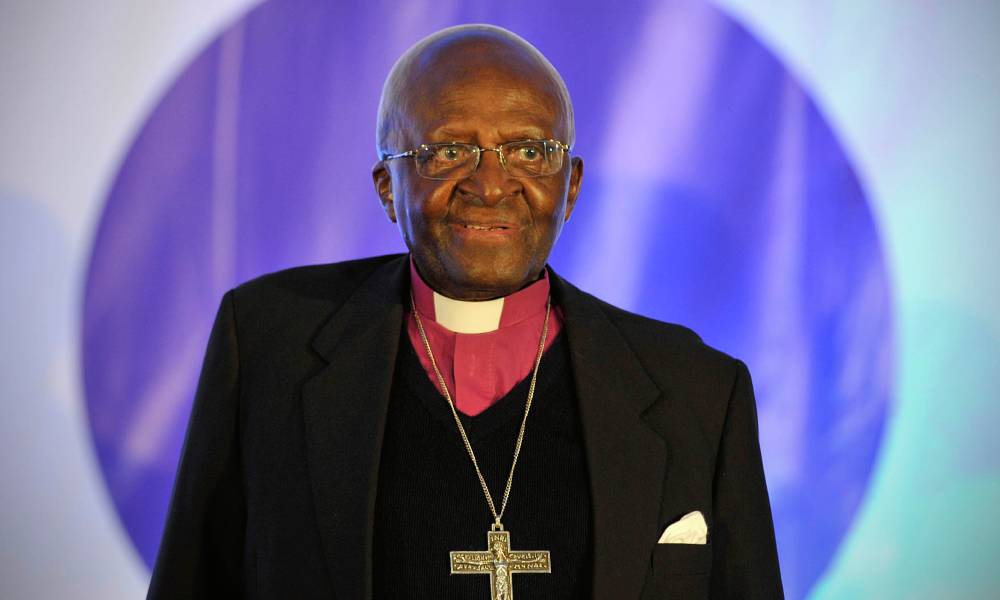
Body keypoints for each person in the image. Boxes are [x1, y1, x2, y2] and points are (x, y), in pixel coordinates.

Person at [147, 24, 782, 599]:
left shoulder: (696, 390)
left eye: (529, 151)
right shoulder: (267, 348)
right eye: (447, 151)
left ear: (573, 187)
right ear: (387, 189)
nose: (490, 184)